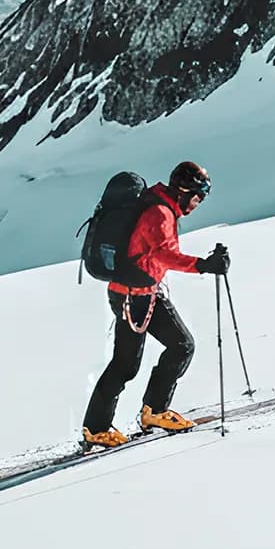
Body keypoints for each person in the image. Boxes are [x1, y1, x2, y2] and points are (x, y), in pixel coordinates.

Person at [81, 160, 228, 447]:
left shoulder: (160, 206)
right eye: (198, 196)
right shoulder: (160, 213)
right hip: (134, 297)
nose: (198, 203)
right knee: (136, 362)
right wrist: (204, 265)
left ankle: (147, 412)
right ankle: (116, 422)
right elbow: (164, 254)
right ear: (184, 190)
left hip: (137, 293)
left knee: (171, 348)